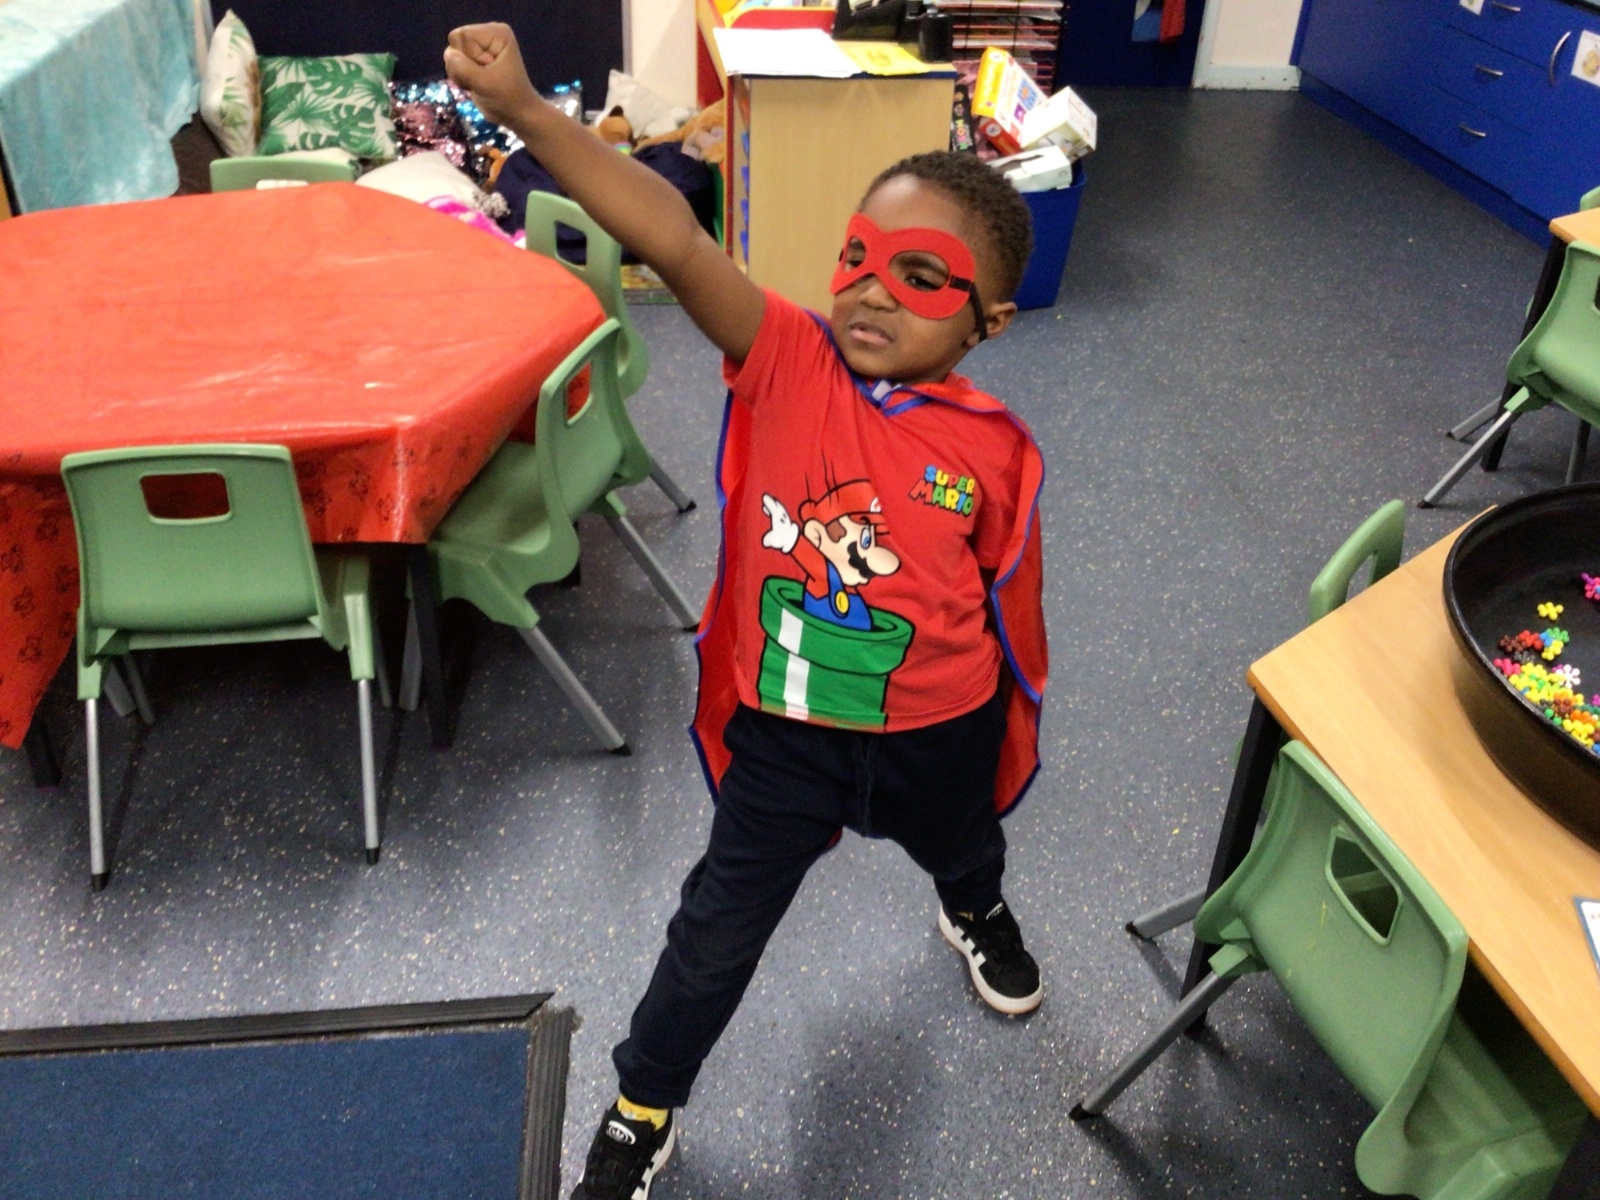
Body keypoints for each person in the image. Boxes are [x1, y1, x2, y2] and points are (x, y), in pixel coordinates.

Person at [445, 24, 1049, 1200]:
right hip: (790, 732)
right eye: (857, 256)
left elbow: (1001, 594)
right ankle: (643, 1105)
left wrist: (995, 722)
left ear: (989, 321)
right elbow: (671, 236)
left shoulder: (995, 448)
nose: (871, 287)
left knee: (964, 843)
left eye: (920, 276)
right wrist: (525, 111)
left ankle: (971, 906)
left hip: (938, 727)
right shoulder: (786, 358)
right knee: (714, 933)